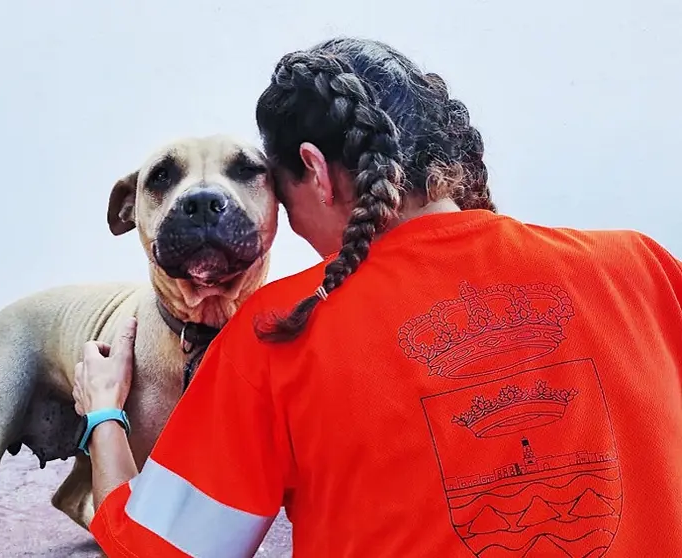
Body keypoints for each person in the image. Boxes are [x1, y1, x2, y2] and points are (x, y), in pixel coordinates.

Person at [71, 37, 682, 557]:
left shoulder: (277, 330)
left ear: (314, 171)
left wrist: (103, 411)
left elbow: (154, 550)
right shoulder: (643, 266)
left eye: (280, 195)